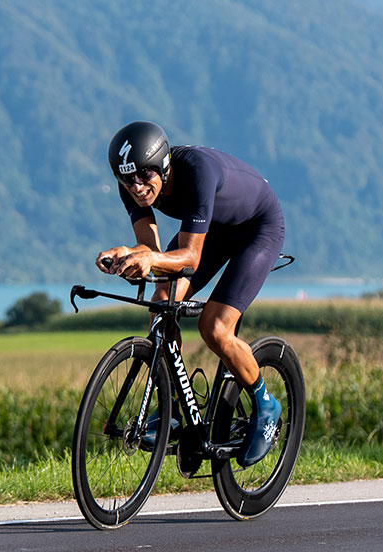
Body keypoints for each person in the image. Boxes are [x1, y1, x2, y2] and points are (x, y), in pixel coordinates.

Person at [96, 120, 285, 467]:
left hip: (257, 229)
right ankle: (174, 409)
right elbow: (150, 249)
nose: (136, 187)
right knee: (160, 306)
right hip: (214, 230)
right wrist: (128, 254)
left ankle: (266, 403)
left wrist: (150, 257)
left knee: (214, 328)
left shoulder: (198, 172)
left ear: (164, 166)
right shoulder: (130, 184)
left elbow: (190, 258)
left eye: (144, 176)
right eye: (127, 179)